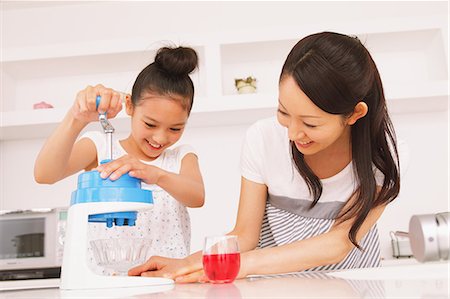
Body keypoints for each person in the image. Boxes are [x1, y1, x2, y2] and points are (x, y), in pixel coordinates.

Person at [128, 31, 405, 282]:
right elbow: (245, 235)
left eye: (310, 124)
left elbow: (338, 243)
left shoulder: (379, 159)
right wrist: (186, 263)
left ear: (354, 114)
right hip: (276, 289)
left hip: (352, 289)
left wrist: (242, 264)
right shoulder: (263, 139)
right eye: (284, 113)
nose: (294, 134)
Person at [34, 46, 205, 272]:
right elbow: (45, 174)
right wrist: (77, 118)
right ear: (130, 106)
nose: (160, 137)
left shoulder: (180, 156)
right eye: (150, 124)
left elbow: (197, 196)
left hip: (165, 284)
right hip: (105, 284)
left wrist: (154, 173)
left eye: (175, 128)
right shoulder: (102, 146)